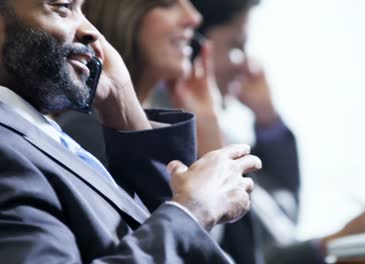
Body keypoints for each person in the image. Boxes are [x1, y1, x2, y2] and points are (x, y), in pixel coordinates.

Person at [0, 0, 262, 263]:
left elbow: (147, 224)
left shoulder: (37, 132)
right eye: (63, 7)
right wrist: (193, 212)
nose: (91, 31)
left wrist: (123, 103)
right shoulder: (11, 148)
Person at [186, 0, 365, 263]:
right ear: (194, 45)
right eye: (235, 46)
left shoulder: (216, 127)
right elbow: (239, 252)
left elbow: (282, 218)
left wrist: (267, 117)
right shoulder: (184, 132)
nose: (247, 64)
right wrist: (328, 246)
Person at [57, 0, 224, 163]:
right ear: (121, 13)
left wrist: (208, 127)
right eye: (167, 3)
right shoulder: (88, 130)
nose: (194, 17)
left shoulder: (162, 119)